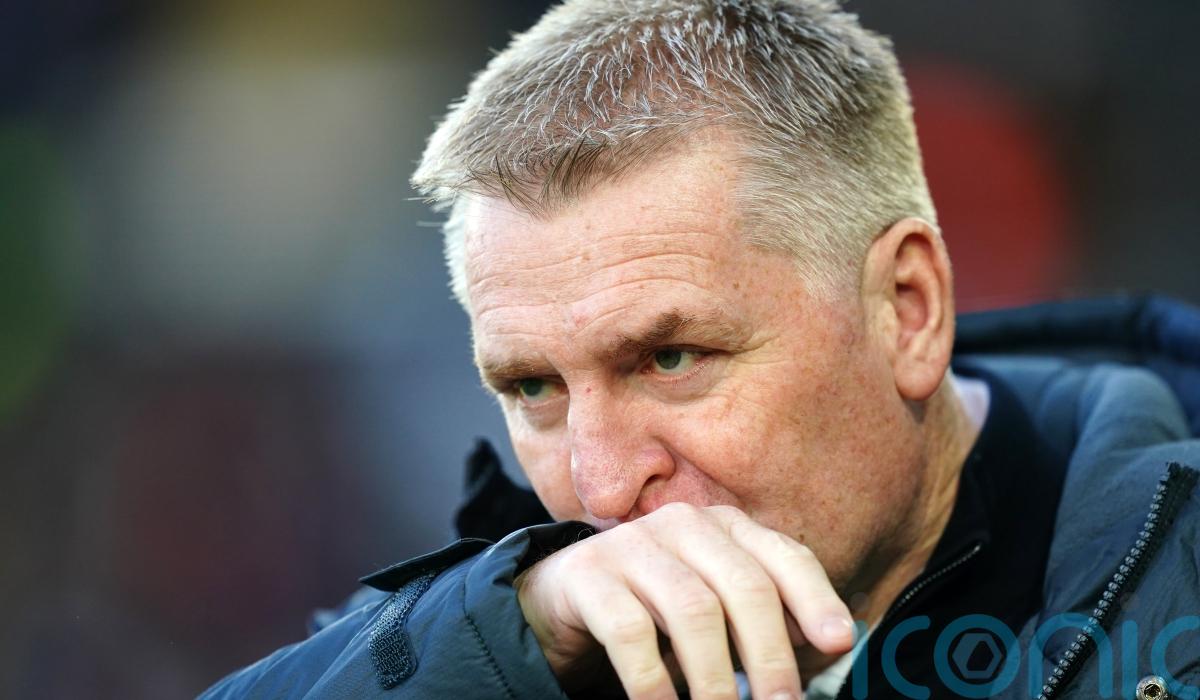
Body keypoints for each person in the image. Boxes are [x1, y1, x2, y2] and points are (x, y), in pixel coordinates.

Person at [201, 1, 1200, 698]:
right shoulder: (522, 632)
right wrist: (510, 638)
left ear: (907, 310)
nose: (600, 487)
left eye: (669, 359)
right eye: (534, 386)